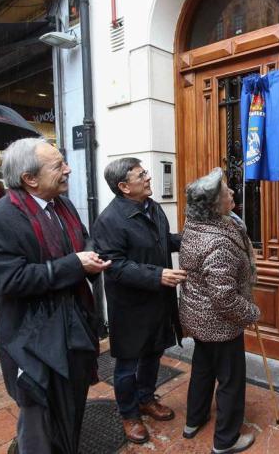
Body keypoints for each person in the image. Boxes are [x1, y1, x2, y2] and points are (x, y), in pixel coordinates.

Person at [0, 138, 111, 454]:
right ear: (29, 179)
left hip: (75, 332)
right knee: (38, 427)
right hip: (32, 343)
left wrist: (90, 257)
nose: (68, 169)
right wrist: (75, 264)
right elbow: (8, 281)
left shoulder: (63, 205)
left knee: (72, 412)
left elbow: (83, 242)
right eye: (58, 165)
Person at [92, 157, 186, 444]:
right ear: (124, 187)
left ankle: (146, 398)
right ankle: (129, 413)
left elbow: (162, 240)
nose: (148, 177)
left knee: (153, 354)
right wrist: (157, 275)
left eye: (145, 172)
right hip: (130, 307)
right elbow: (115, 265)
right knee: (127, 364)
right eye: (141, 174)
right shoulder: (109, 220)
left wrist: (191, 238)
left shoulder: (153, 207)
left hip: (158, 300)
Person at [179, 167, 260, 454]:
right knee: (230, 379)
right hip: (219, 322)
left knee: (203, 368)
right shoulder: (218, 243)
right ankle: (225, 440)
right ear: (215, 204)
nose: (233, 192)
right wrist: (250, 312)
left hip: (199, 316)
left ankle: (194, 419)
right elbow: (224, 298)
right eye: (227, 191)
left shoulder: (197, 223)